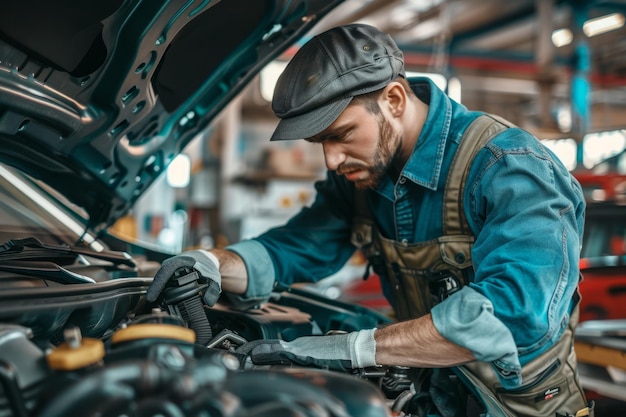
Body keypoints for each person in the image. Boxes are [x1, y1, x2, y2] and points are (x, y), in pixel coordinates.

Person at [149, 24, 593, 417]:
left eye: (340, 135)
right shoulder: (361, 178)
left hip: (521, 404)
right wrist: (211, 263)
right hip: (433, 393)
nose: (331, 159)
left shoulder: (508, 167)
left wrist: (356, 349)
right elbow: (296, 248)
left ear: (394, 100)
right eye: (319, 142)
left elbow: (514, 312)